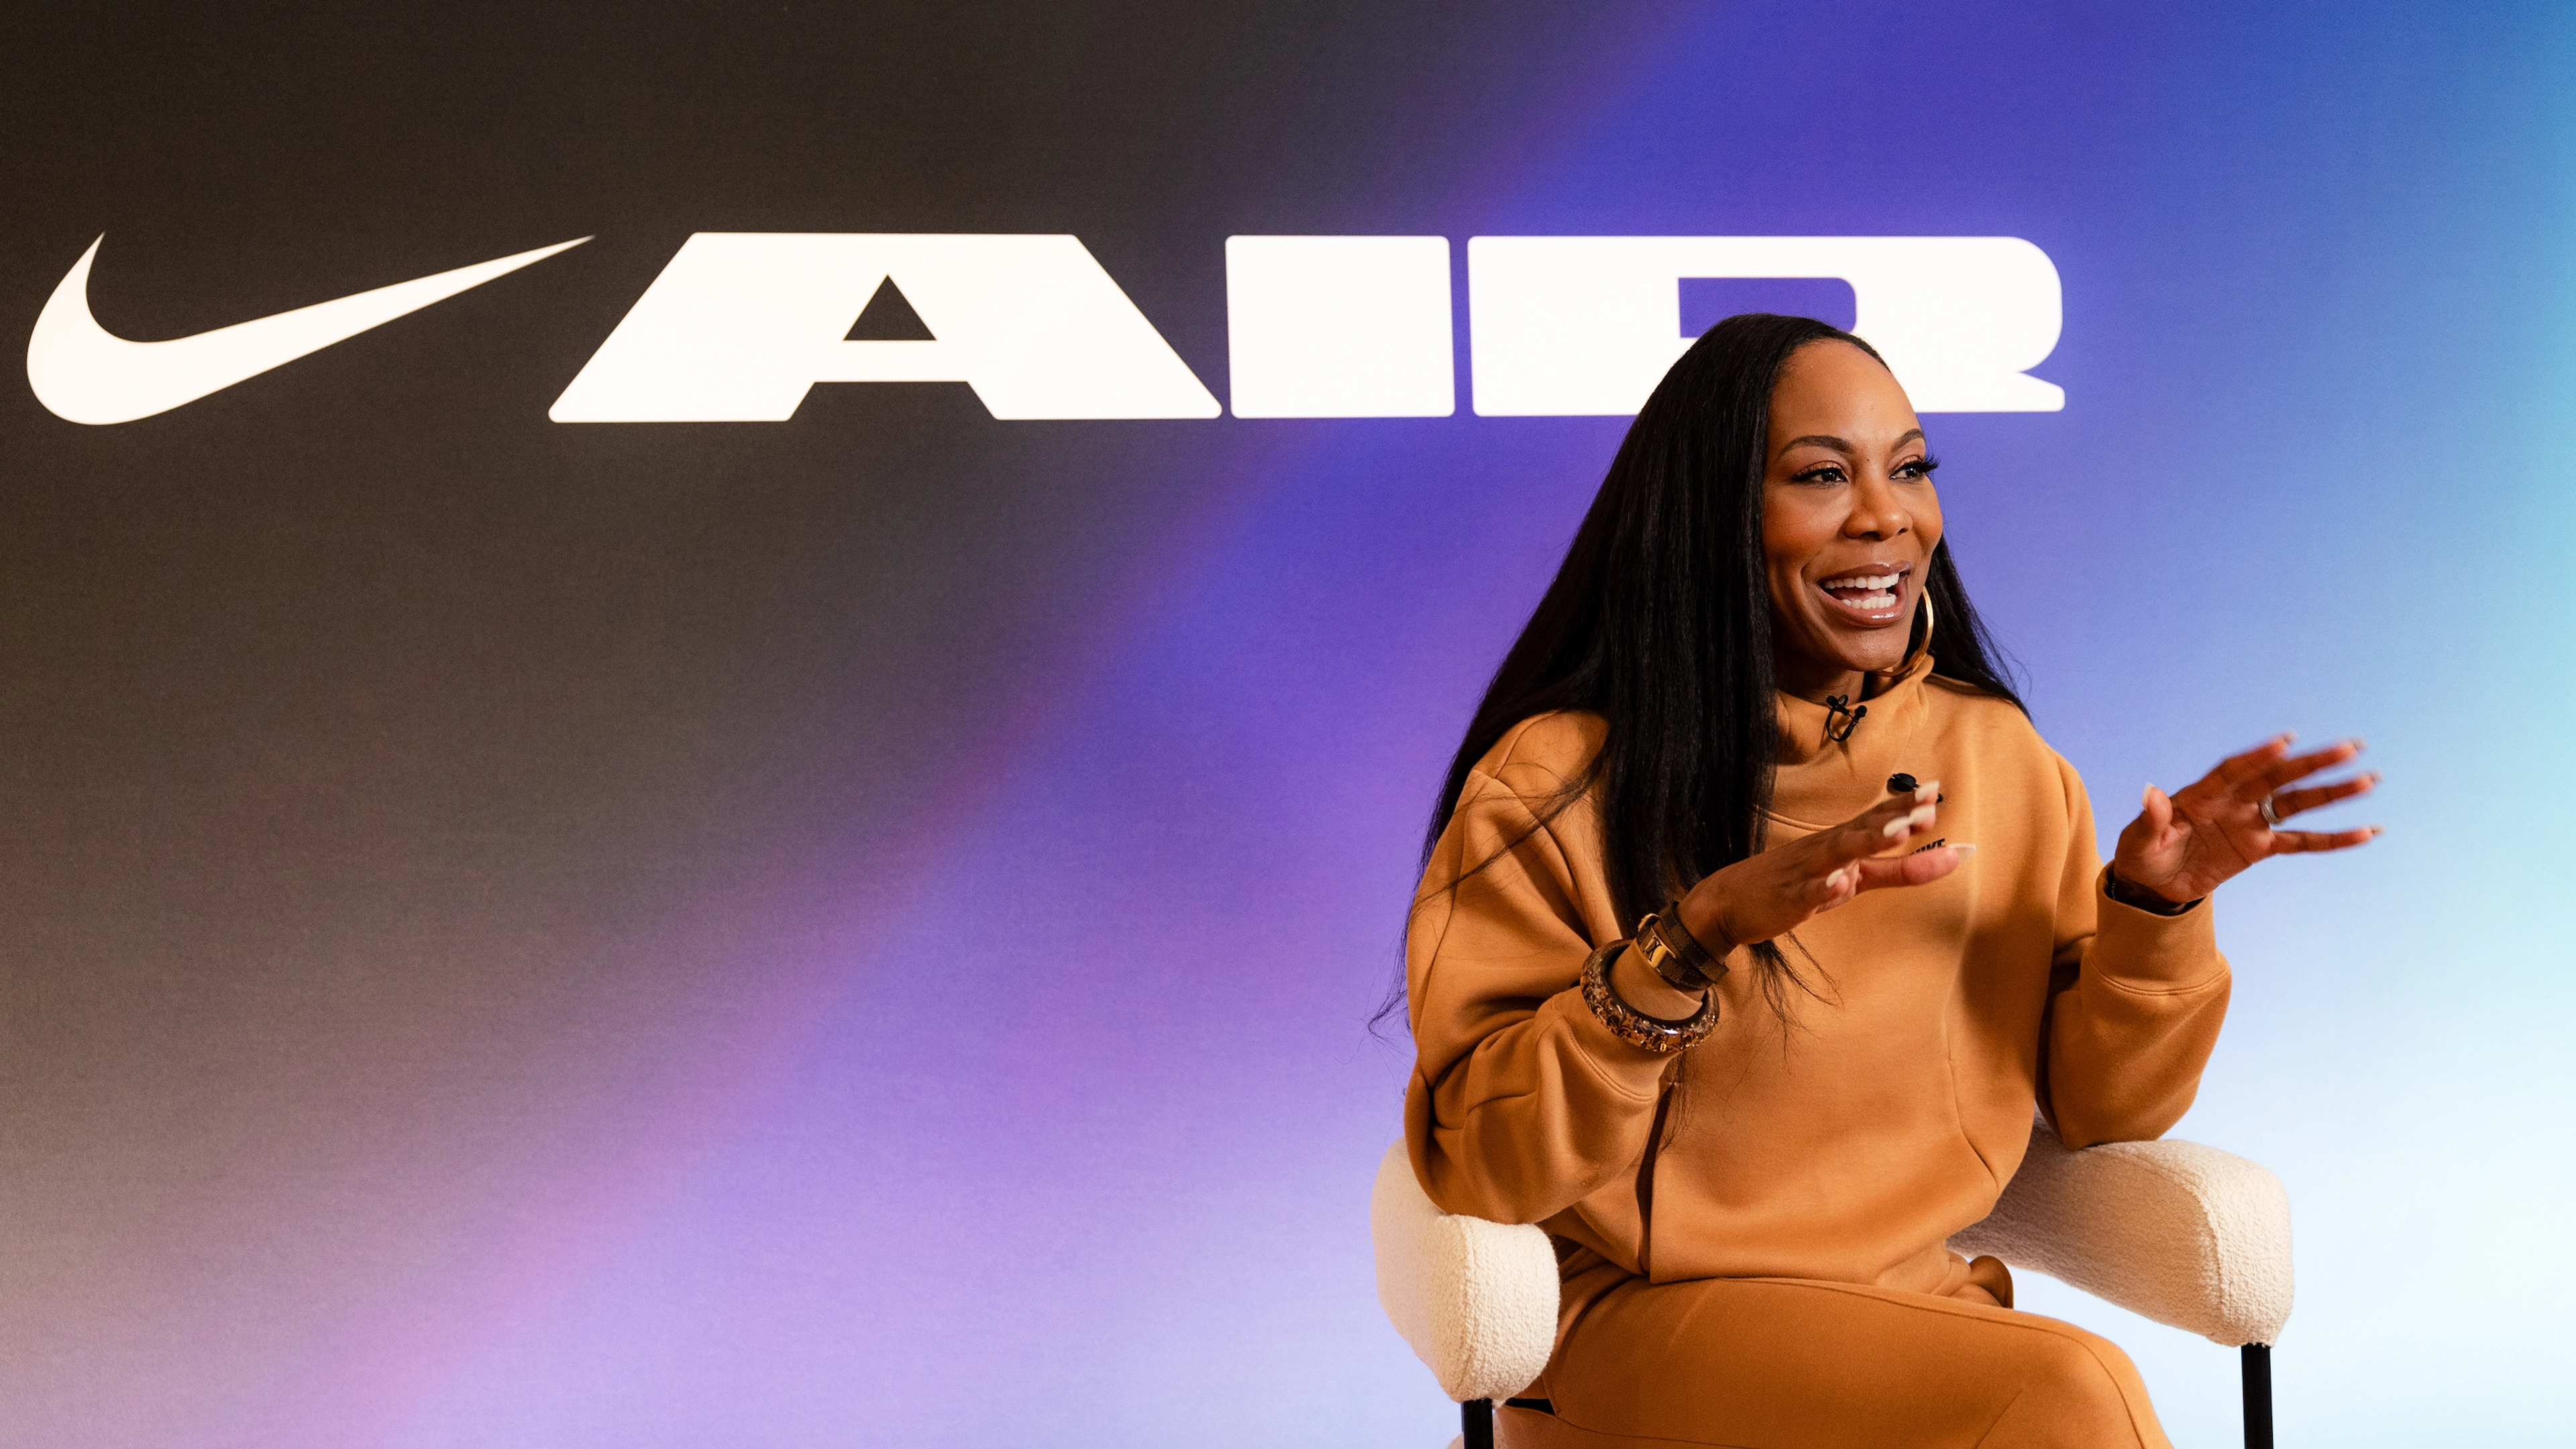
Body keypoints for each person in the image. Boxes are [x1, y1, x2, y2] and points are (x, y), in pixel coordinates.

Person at [1402, 314, 2379, 1449]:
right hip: (1641, 1325)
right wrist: (1694, 936)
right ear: (1713, 517)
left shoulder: (2000, 757)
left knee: (2054, 1388)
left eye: (1910, 467)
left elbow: (2105, 1111)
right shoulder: (1554, 781)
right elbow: (1483, 1163)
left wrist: (2157, 910)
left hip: (1923, 1309)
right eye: (1823, 475)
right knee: (2072, 1394)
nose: (1889, 514)